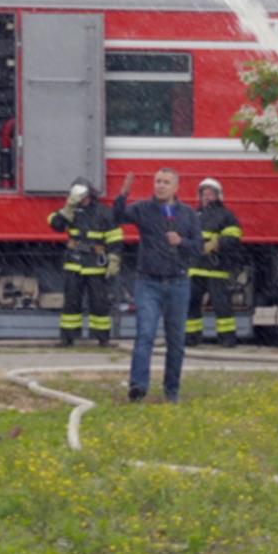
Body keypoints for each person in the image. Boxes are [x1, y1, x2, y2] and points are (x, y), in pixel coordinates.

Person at [112, 168, 202, 403]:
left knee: (176, 340)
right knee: (145, 334)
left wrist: (181, 241)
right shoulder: (143, 209)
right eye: (157, 181)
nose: (160, 186)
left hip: (178, 283)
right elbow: (117, 217)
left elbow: (198, 247)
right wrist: (123, 192)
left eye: (166, 182)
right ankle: (138, 387)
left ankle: (171, 391)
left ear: (176, 188)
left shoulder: (188, 215)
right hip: (148, 283)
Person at [46, 177, 122, 346]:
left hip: (96, 264)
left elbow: (115, 238)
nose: (81, 199)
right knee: (71, 304)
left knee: (99, 304)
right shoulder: (70, 211)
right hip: (74, 263)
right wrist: (68, 208)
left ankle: (102, 339)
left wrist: (114, 258)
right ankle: (67, 338)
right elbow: (56, 225)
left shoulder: (103, 212)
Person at [186, 177, 242, 347]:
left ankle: (227, 339)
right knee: (191, 305)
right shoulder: (193, 215)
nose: (206, 196)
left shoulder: (226, 215)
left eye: (210, 193)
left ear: (218, 196)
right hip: (195, 268)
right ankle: (190, 338)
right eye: (203, 193)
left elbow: (234, 237)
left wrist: (218, 243)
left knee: (222, 306)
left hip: (217, 268)